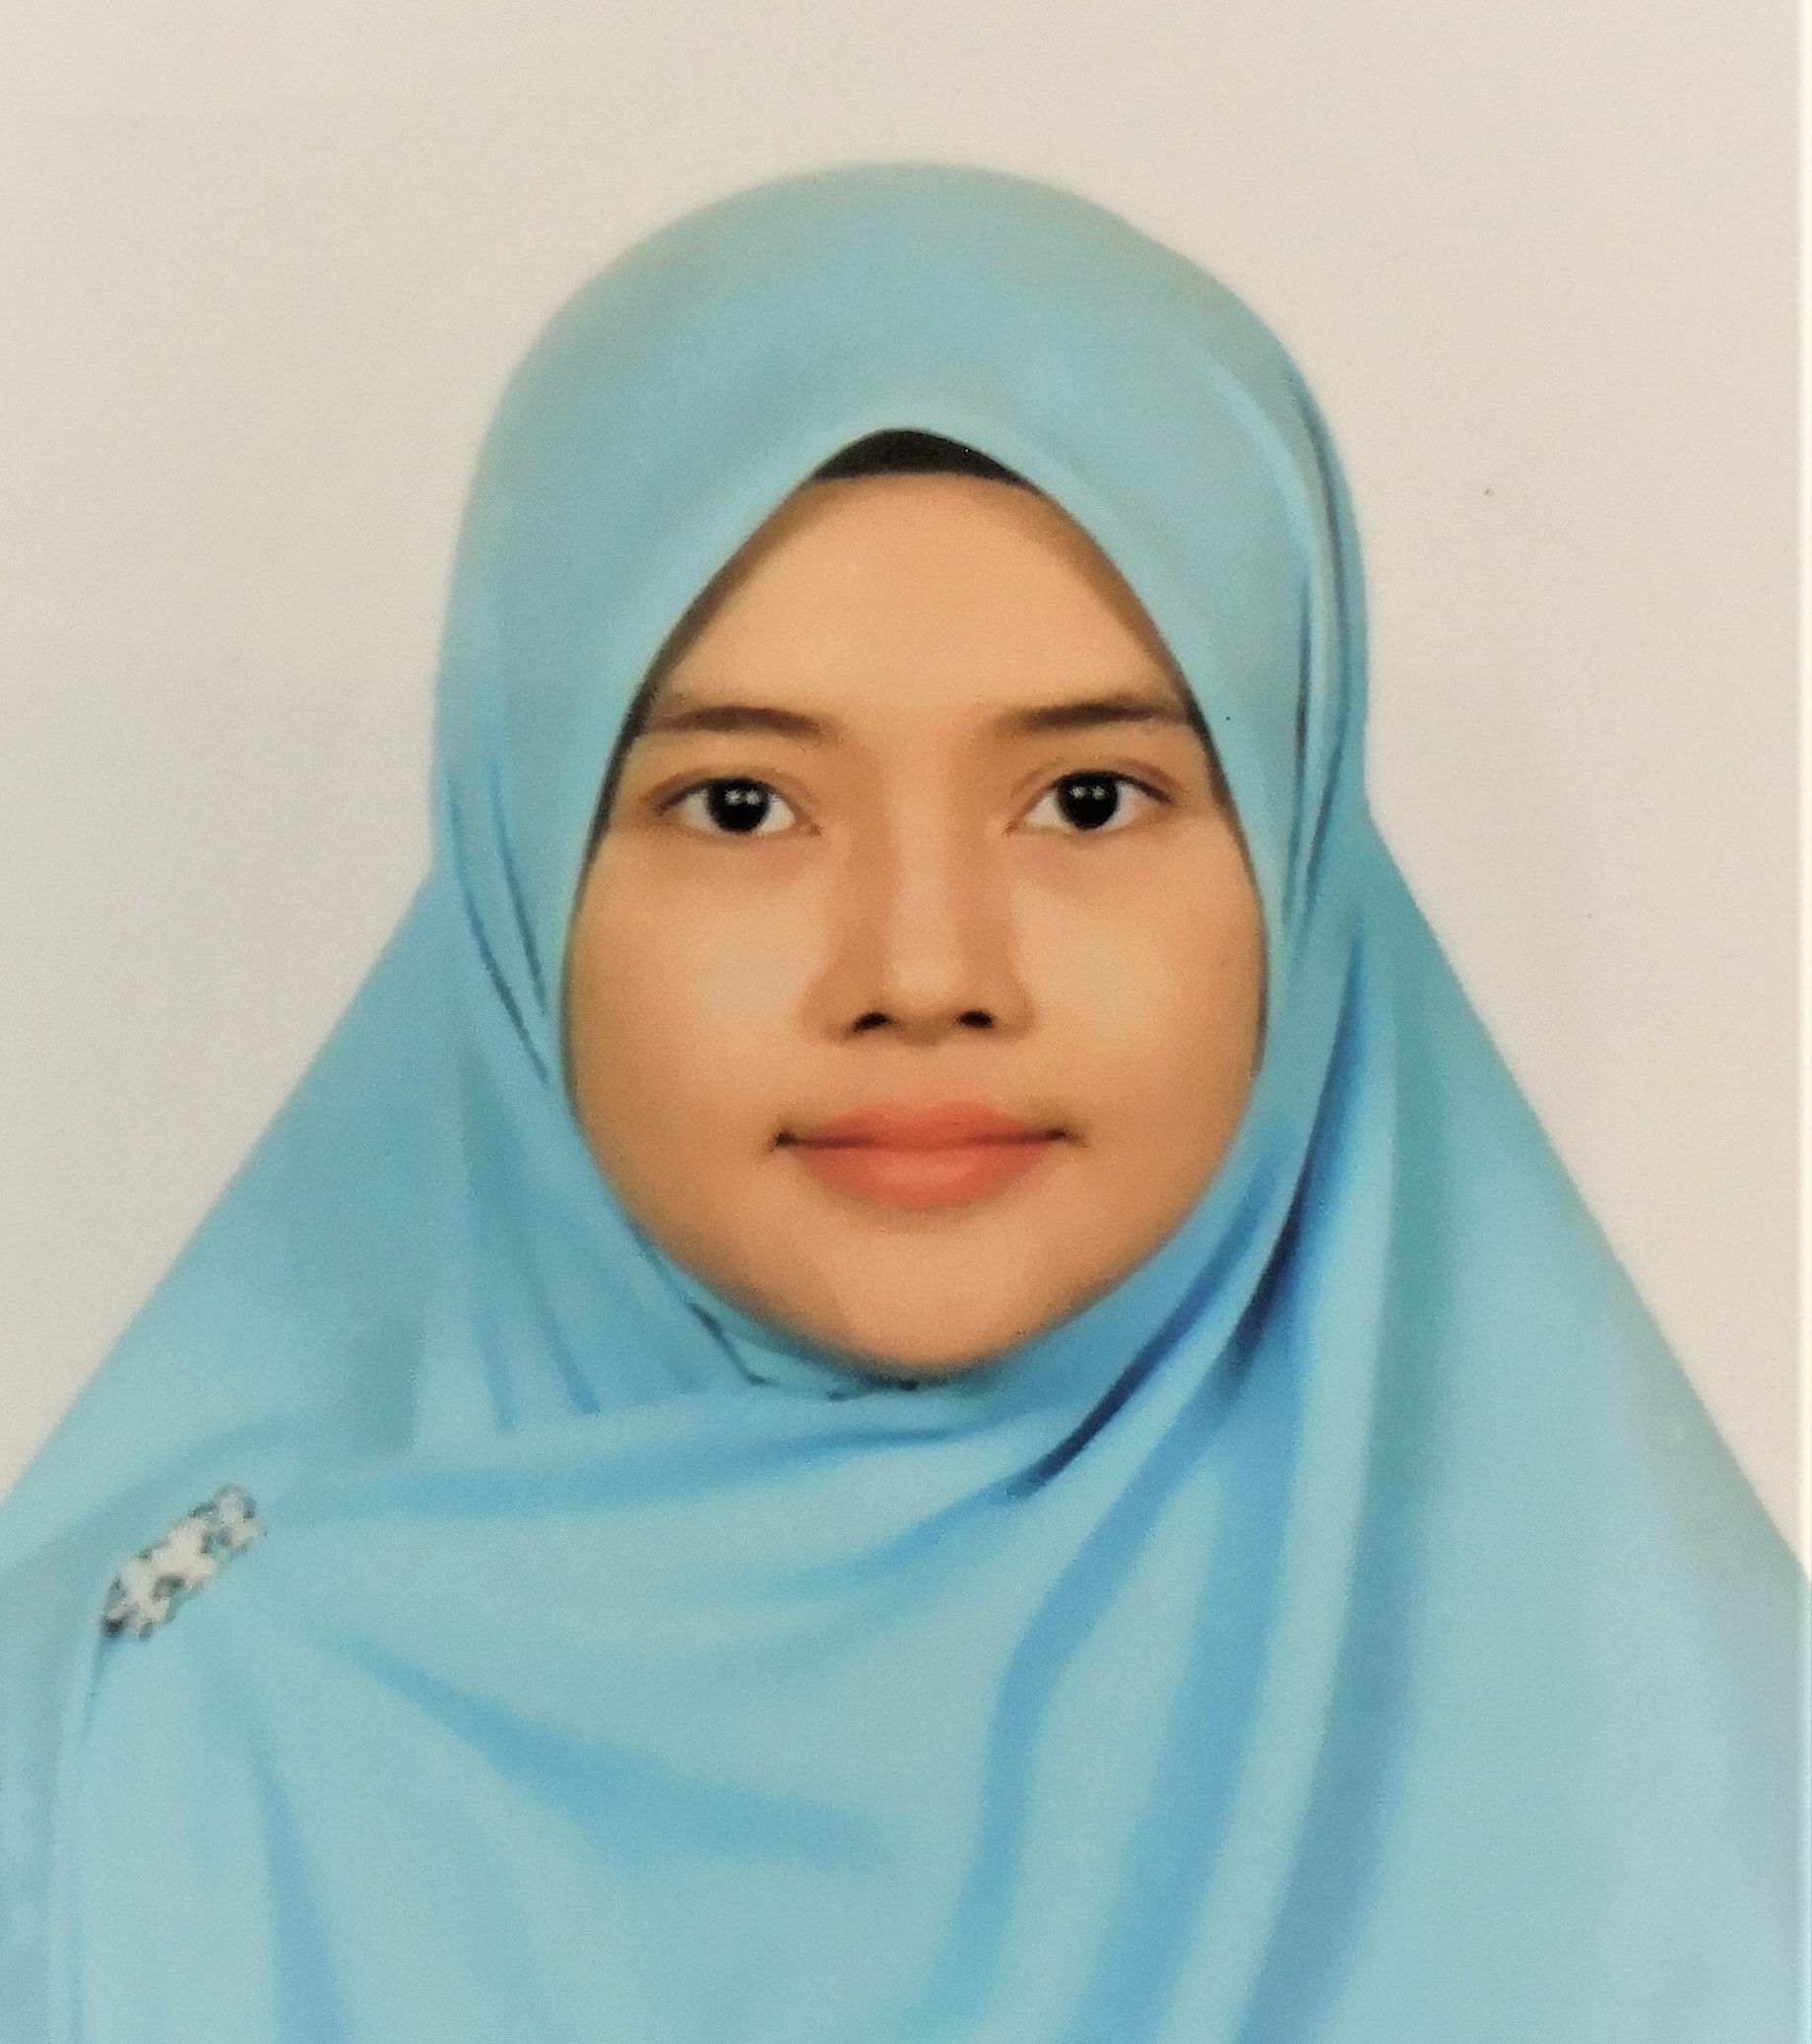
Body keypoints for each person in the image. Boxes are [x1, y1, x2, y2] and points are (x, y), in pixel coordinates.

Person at [0, 164, 1799, 2043]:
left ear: (1298, 855)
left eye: (1089, 800)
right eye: (741, 807)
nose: (926, 970)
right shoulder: (129, 1776)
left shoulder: (1703, 1811)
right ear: (520, 874)